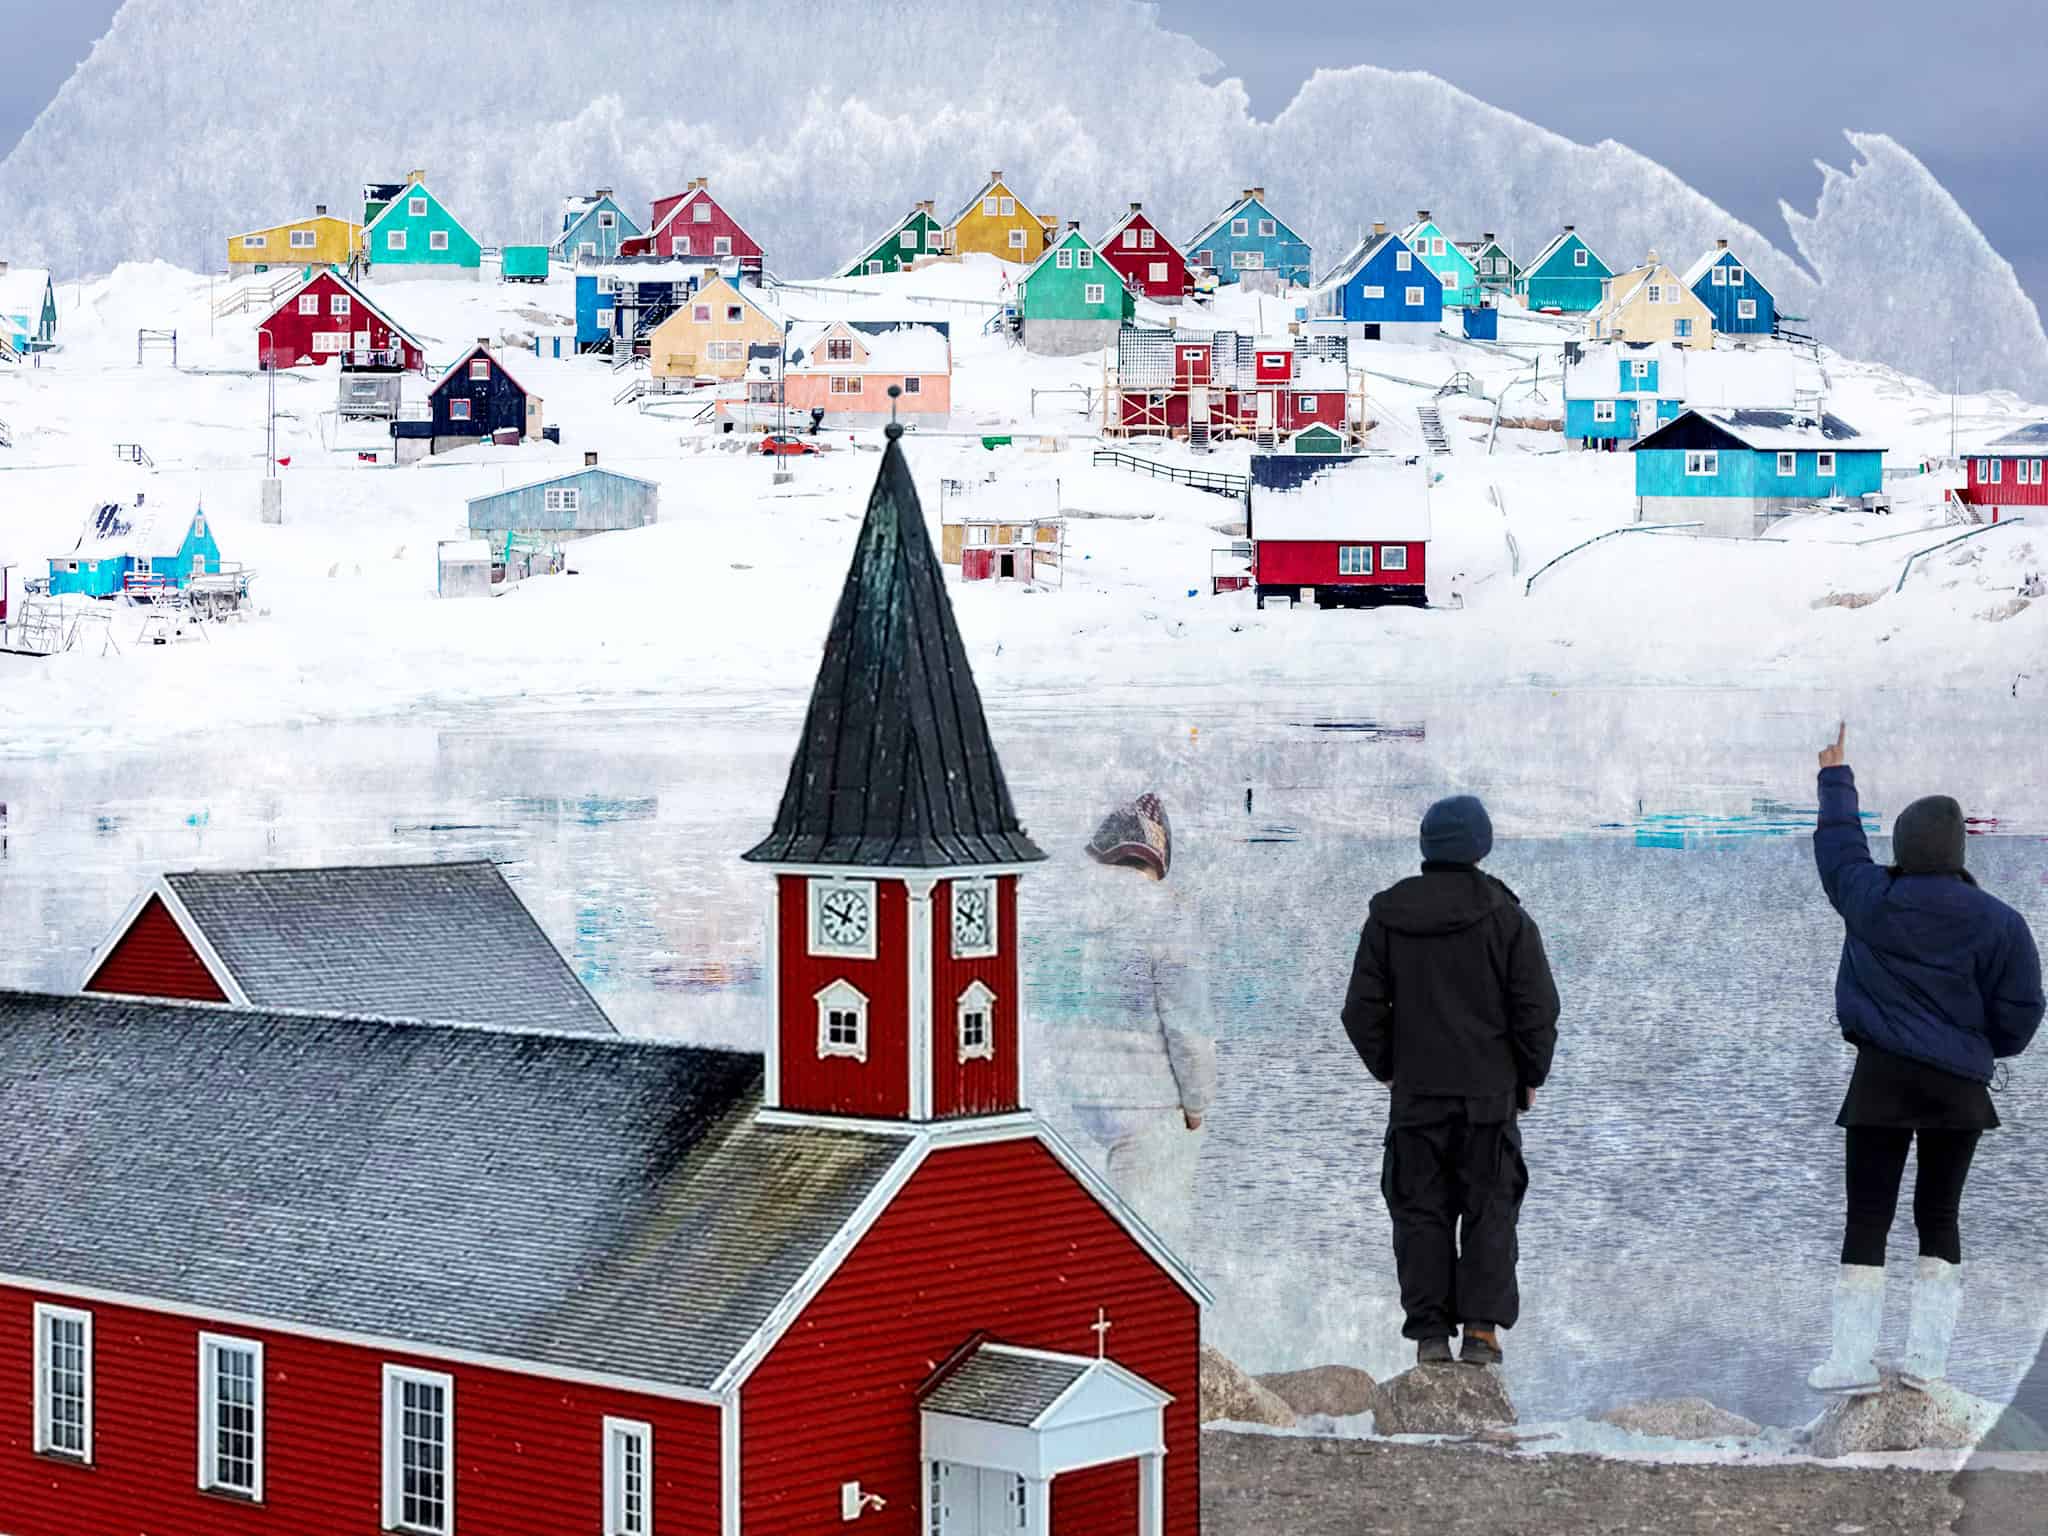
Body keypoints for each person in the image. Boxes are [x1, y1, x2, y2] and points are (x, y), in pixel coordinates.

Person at [1806, 724, 2043, 1397]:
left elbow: (1839, 847)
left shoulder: (1870, 900)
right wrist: (1978, 1046)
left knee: (1867, 1216)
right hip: (1958, 1091)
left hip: (1880, 1081)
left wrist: (1835, 773)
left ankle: (1851, 1360)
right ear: (1957, 848)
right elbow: (2023, 1012)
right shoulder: (2000, 921)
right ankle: (1927, 1365)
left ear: (1904, 848)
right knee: (1939, 1217)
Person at [1340, 795, 1561, 1367]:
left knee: (1420, 1211)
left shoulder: (1388, 915)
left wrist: (1391, 1067)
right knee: (1490, 1210)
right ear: (1480, 846)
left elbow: (1361, 1012)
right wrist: (1530, 1075)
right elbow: (1536, 1008)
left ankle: (1431, 1337)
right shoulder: (1506, 917)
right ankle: (1482, 1334)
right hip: (1489, 1097)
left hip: (1416, 1097)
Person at [1057, 793, 1215, 1258]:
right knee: (1155, 1237)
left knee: (1103, 1234)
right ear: (1158, 856)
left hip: (1086, 1099)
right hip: (1149, 1102)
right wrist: (1197, 1102)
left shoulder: (1076, 916)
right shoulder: (1167, 913)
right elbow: (1187, 1022)